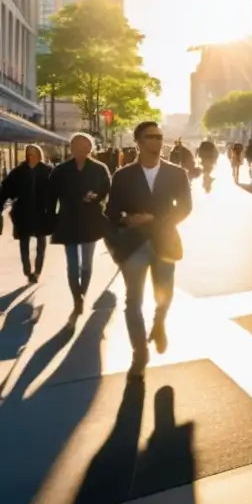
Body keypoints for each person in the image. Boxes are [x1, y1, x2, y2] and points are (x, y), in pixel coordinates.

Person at [105, 121, 193, 377]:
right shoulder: (122, 175)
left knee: (165, 294)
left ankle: (159, 323)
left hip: (165, 241)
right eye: (151, 137)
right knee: (133, 301)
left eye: (159, 136)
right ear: (139, 142)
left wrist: (155, 220)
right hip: (134, 245)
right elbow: (111, 211)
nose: (157, 141)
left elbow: (185, 207)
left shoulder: (177, 173)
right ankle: (139, 351)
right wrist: (126, 219)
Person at [48, 133, 112, 326]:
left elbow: (106, 190)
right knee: (72, 264)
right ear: (72, 149)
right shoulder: (61, 170)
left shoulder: (99, 168)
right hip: (68, 220)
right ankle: (77, 298)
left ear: (90, 149)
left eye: (85, 148)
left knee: (87, 264)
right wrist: (51, 218)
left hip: (90, 220)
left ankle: (82, 292)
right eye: (77, 147)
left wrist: (96, 196)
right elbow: (52, 194)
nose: (82, 151)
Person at [0, 144, 53, 284]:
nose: (31, 156)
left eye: (34, 153)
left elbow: (56, 190)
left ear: (39, 155)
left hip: (42, 213)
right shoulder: (18, 171)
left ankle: (37, 272)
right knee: (24, 244)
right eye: (29, 154)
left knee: (41, 245)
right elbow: (5, 188)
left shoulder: (47, 170)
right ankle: (27, 271)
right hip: (23, 213)